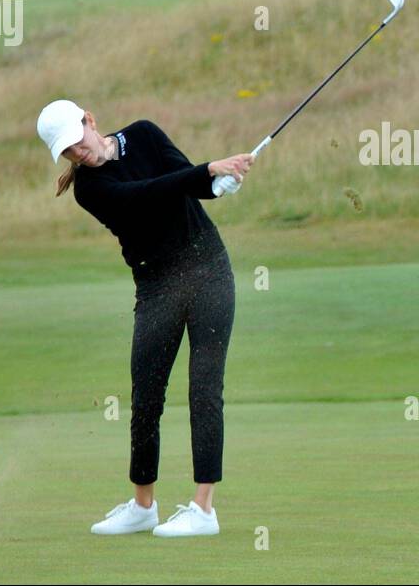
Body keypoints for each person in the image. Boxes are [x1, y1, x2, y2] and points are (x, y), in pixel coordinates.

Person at [36, 99, 255, 538]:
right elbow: (146, 196)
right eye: (68, 153)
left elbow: (188, 183)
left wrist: (217, 183)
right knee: (146, 396)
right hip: (156, 286)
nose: (79, 155)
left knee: (205, 388)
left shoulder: (146, 134)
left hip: (208, 267)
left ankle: (203, 509)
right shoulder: (90, 190)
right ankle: (143, 506)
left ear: (90, 122)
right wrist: (207, 171)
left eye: (77, 143)